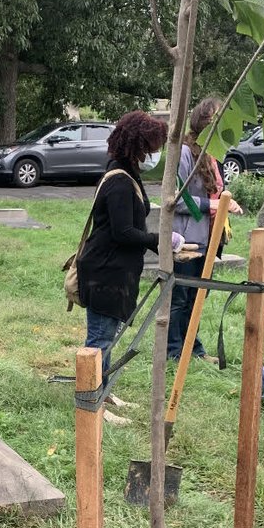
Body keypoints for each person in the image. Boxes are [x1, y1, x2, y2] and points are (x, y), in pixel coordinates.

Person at [76, 110, 175, 423]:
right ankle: (94, 404)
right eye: (151, 148)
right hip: (105, 272)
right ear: (138, 145)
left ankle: (104, 390)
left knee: (107, 336)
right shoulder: (119, 181)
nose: (154, 155)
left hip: (115, 270)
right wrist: (158, 240)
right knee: (99, 339)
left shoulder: (128, 172)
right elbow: (122, 232)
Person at [169, 98, 244, 361]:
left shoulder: (213, 155)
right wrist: (213, 204)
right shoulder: (185, 153)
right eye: (215, 118)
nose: (221, 123)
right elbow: (178, 199)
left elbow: (217, 192)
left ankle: (194, 349)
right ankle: (174, 352)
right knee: (180, 299)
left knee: (197, 298)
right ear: (202, 122)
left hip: (210, 241)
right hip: (188, 240)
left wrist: (226, 202)